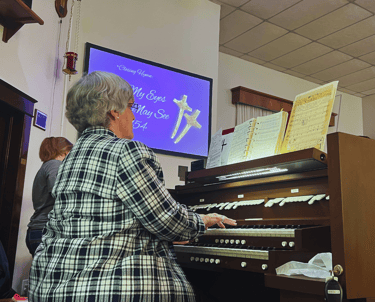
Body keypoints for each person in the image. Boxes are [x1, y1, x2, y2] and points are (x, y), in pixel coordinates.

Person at [28, 71, 236, 302]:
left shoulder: (69, 159)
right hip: (112, 287)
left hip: (54, 286)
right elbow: (167, 221)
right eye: (130, 107)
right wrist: (202, 220)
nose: (134, 117)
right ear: (114, 112)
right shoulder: (127, 151)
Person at [26, 137, 73, 257]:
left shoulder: (46, 166)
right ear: (64, 152)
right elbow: (59, 193)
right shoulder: (55, 165)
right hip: (44, 231)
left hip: (37, 230)